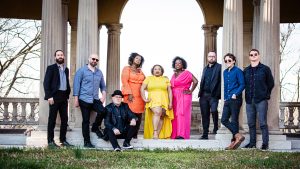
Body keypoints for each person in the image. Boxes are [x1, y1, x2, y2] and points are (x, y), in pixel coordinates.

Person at [243, 49, 274, 150]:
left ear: (259, 56)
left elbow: (271, 83)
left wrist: (266, 95)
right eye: (251, 55)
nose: (253, 56)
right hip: (249, 100)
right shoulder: (246, 70)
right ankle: (252, 143)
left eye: (255, 54)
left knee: (263, 123)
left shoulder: (265, 69)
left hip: (261, 100)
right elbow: (243, 85)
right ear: (249, 57)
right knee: (251, 123)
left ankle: (265, 144)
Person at [73, 54, 106, 148]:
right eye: (93, 59)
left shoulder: (99, 72)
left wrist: (103, 96)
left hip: (95, 99)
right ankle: (87, 142)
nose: (95, 60)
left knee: (103, 111)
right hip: (84, 99)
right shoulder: (81, 71)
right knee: (86, 121)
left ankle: (95, 127)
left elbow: (103, 86)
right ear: (89, 59)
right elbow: (76, 85)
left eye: (97, 60)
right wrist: (76, 99)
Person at [43, 50, 72, 148]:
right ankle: (50, 141)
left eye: (61, 55)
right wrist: (49, 96)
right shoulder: (51, 68)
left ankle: (63, 140)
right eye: (58, 55)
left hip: (64, 97)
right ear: (55, 57)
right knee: (52, 120)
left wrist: (67, 95)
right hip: (54, 97)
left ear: (64, 56)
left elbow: (66, 83)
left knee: (65, 120)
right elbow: (46, 83)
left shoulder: (66, 69)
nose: (60, 56)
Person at [141, 64, 174, 139]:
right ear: (153, 71)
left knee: (161, 116)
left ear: (162, 71)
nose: (157, 70)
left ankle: (156, 135)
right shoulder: (148, 78)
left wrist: (170, 102)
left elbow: (169, 91)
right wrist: (144, 98)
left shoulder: (165, 79)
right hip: (153, 99)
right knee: (157, 112)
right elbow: (142, 88)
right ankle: (155, 131)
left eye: (159, 69)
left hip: (164, 99)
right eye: (155, 69)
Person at [221, 53, 245, 150]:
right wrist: (225, 98)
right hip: (228, 99)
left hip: (236, 99)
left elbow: (242, 84)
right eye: (226, 61)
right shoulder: (225, 72)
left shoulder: (238, 71)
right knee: (224, 119)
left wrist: (236, 93)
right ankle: (238, 136)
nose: (227, 62)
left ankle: (233, 143)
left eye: (229, 60)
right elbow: (225, 86)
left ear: (234, 61)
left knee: (234, 120)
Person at [170, 56, 198, 139]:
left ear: (183, 65)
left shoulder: (187, 73)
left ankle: (182, 134)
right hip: (174, 96)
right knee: (175, 115)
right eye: (176, 63)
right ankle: (175, 134)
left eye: (179, 63)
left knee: (181, 114)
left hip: (184, 95)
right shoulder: (173, 74)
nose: (177, 64)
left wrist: (191, 90)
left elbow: (195, 81)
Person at [121, 53, 145, 138]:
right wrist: (129, 93)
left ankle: (135, 135)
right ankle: (127, 135)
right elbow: (124, 81)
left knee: (139, 115)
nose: (138, 60)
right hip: (130, 94)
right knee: (130, 114)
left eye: (140, 59)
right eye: (137, 58)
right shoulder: (127, 69)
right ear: (132, 59)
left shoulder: (141, 71)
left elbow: (145, 83)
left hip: (140, 96)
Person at [198, 51, 221, 139]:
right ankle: (205, 134)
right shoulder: (205, 68)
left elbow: (220, 81)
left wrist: (218, 93)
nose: (211, 58)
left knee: (214, 110)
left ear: (215, 57)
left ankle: (216, 127)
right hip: (203, 95)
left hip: (213, 95)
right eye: (210, 56)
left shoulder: (219, 67)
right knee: (204, 114)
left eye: (213, 56)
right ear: (207, 58)